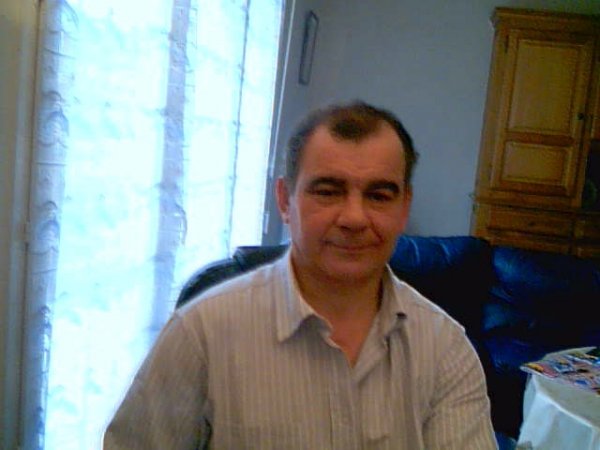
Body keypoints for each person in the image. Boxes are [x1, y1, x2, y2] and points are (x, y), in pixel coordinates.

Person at [104, 101, 497, 449]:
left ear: (404, 207)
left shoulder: (446, 351)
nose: (354, 218)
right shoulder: (200, 334)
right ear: (284, 200)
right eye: (328, 191)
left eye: (378, 195)